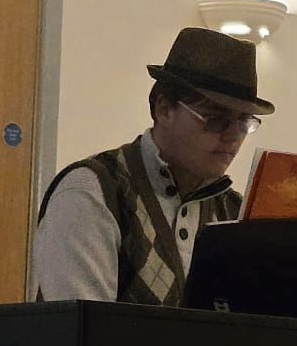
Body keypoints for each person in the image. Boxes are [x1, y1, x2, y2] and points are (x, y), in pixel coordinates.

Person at [33, 26, 273, 305]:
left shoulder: (234, 213)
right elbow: (83, 325)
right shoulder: (93, 191)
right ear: (164, 109)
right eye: (215, 119)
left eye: (244, 122)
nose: (233, 136)